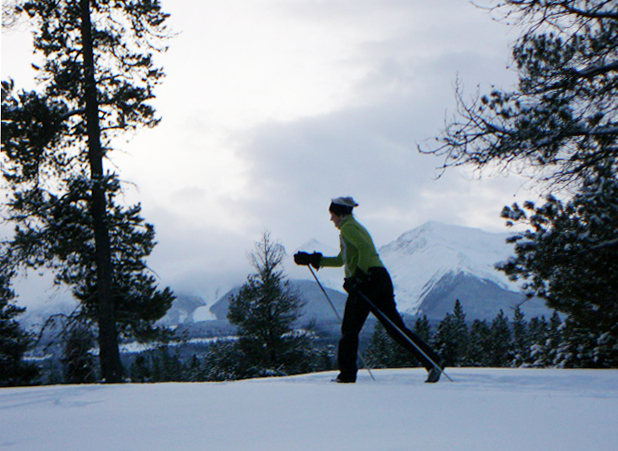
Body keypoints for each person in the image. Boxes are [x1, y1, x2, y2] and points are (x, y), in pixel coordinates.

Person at [294, 196, 444, 383]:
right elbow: (342, 260)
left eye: (332, 215)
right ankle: (432, 361)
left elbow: (364, 249)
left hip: (368, 281)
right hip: (380, 278)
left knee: (349, 329)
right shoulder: (354, 228)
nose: (331, 219)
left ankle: (347, 375)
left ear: (340, 214)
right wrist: (314, 259)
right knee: (395, 328)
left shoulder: (348, 228)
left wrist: (359, 277)